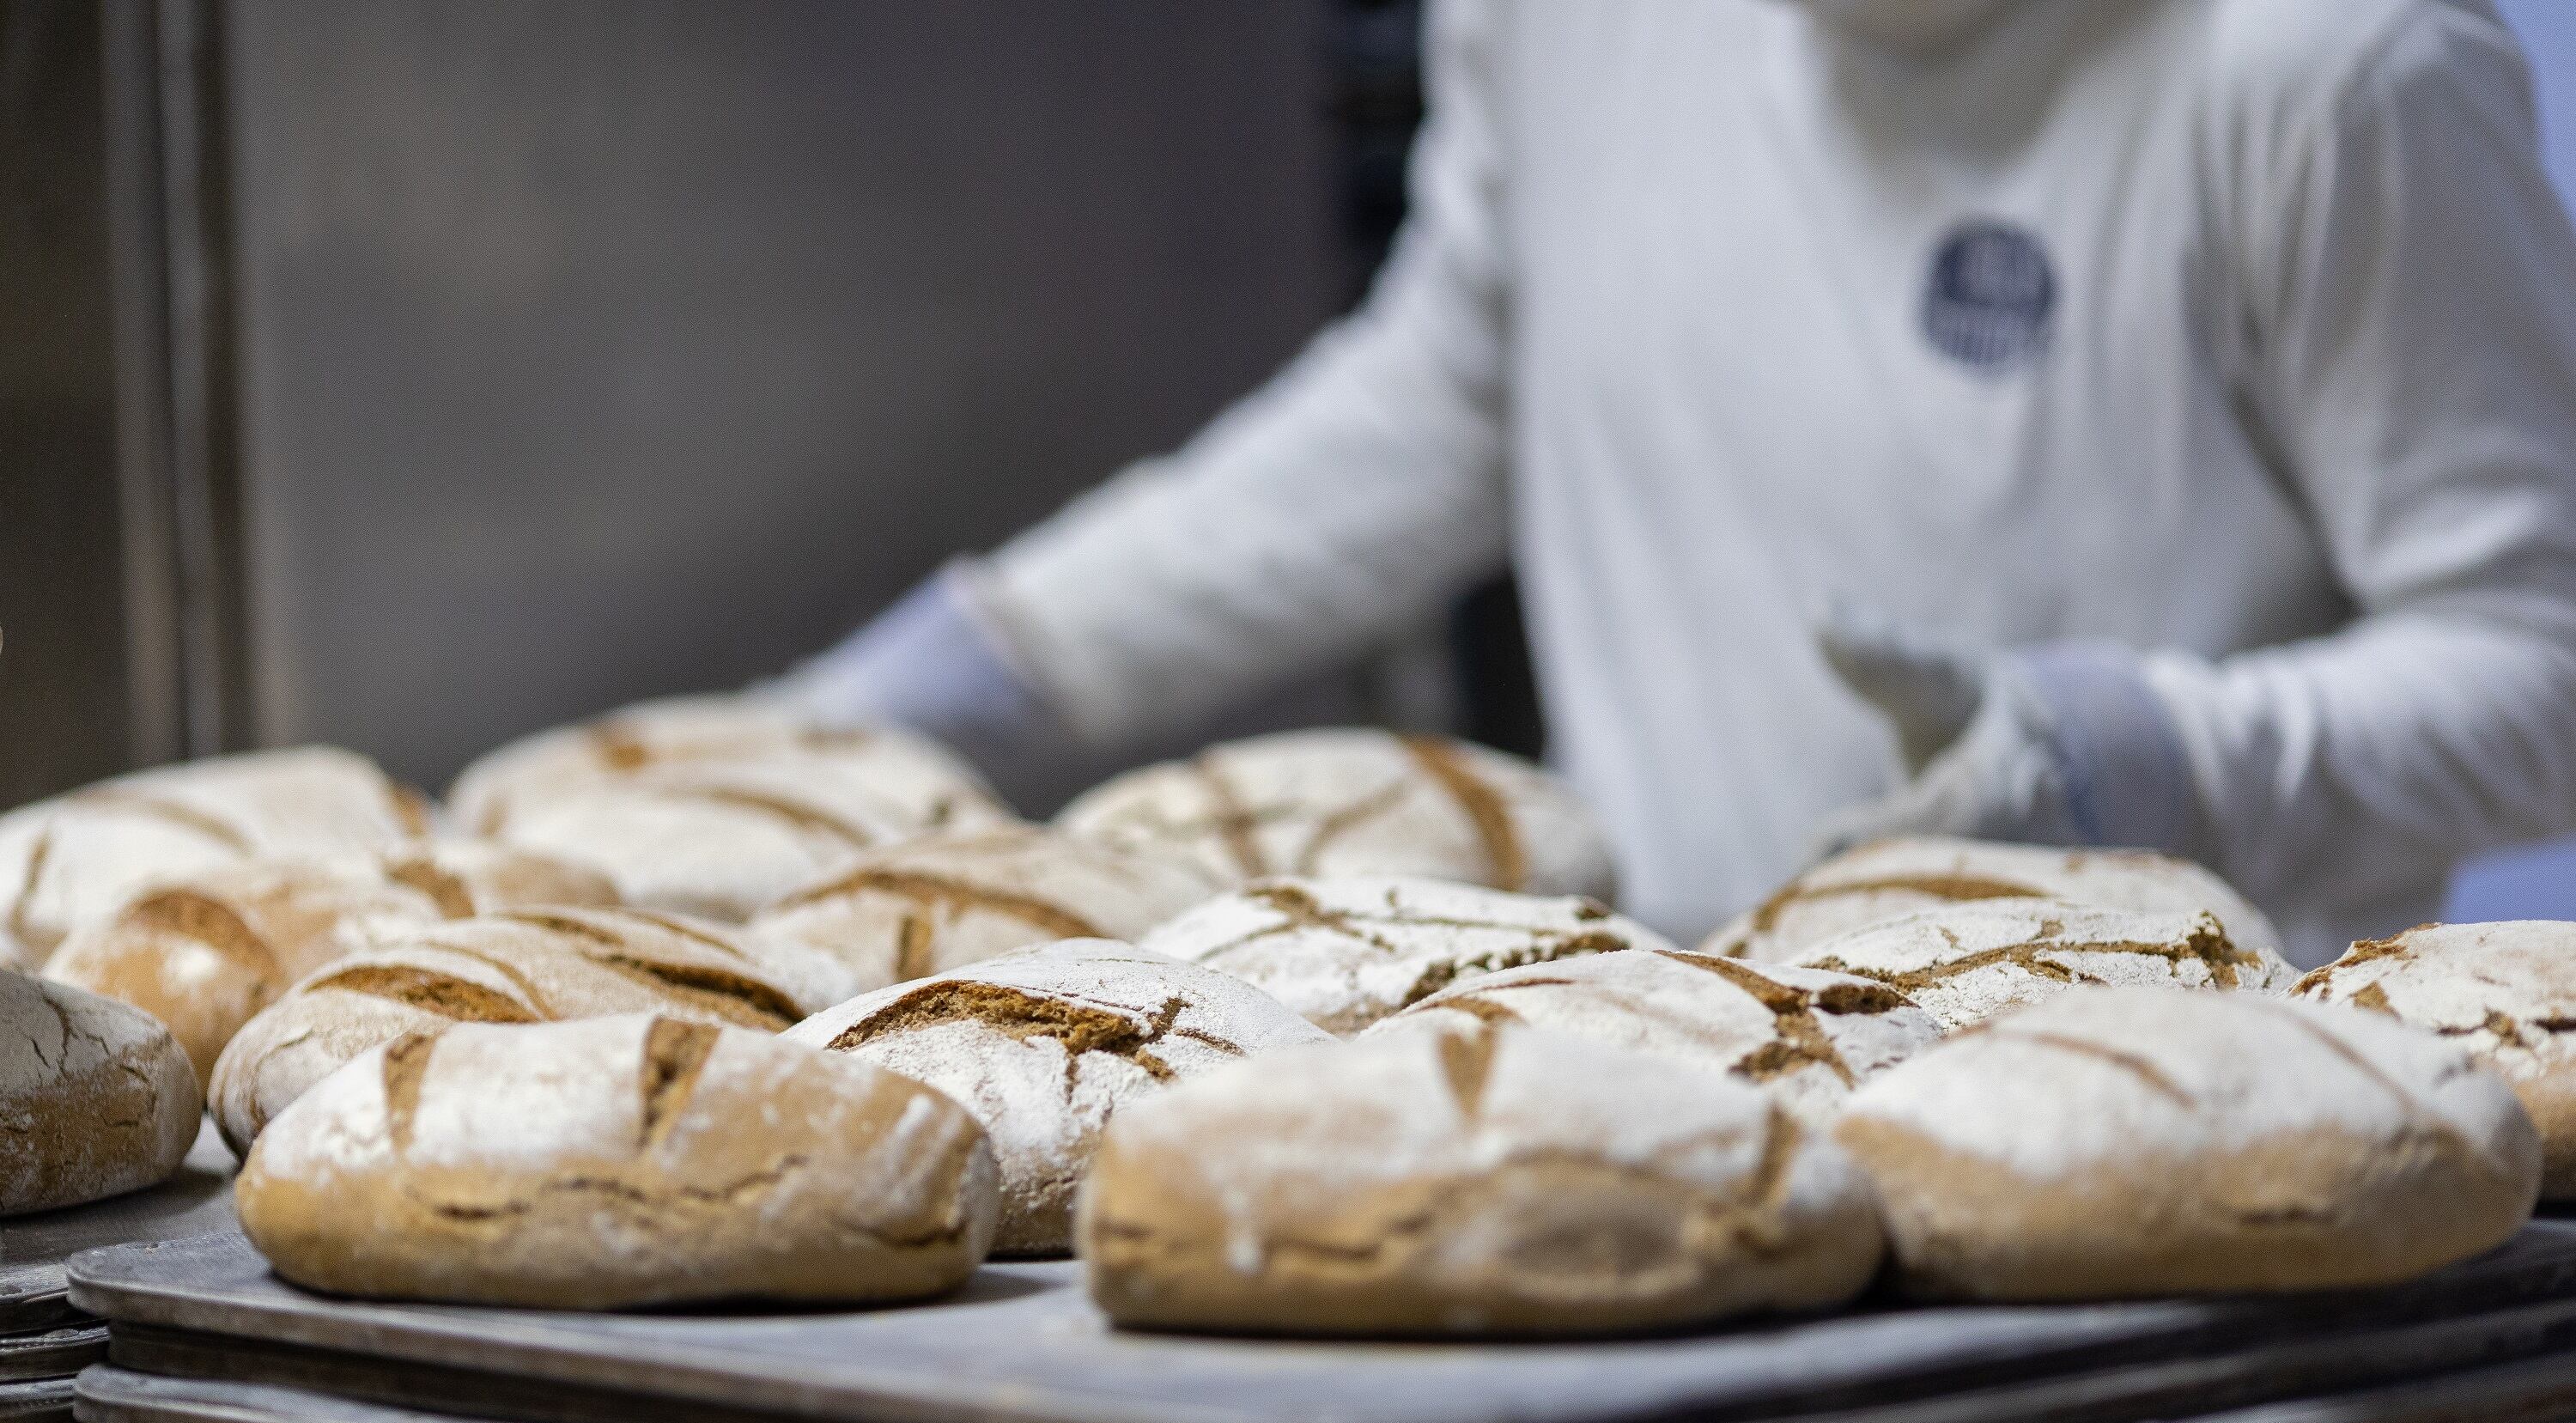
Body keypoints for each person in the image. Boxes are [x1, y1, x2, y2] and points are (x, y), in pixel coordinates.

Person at [769, 0, 2576, 966]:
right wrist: (975, 676)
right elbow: (1457, 391)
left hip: (2181, 1142)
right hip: (1692, 1095)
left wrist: (2151, 758)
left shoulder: (2339, 64)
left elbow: (2541, 664)